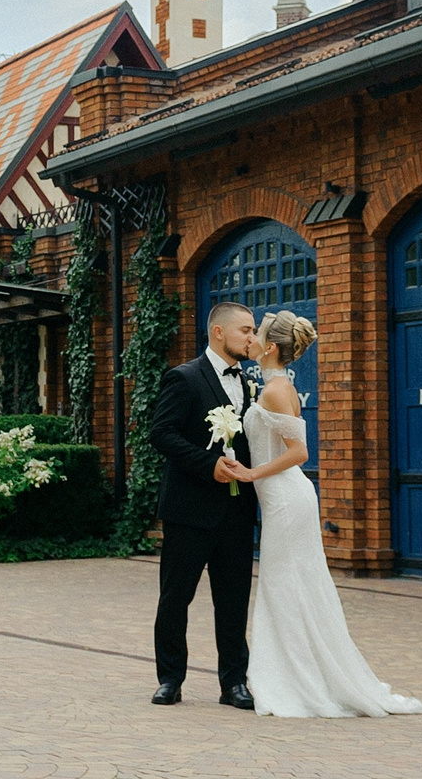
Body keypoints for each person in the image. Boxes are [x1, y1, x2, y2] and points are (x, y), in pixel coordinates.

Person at [238, 311, 422, 718]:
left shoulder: (274, 391)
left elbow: (299, 453)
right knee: (290, 586)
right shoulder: (277, 385)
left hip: (287, 500)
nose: (250, 338)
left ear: (270, 348)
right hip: (281, 500)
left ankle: (298, 681)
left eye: (256, 334)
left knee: (285, 586)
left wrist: (252, 472)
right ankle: (298, 672)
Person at [148, 300, 262, 709]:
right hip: (189, 510)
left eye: (253, 331)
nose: (252, 338)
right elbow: (162, 433)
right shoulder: (184, 377)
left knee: (232, 602)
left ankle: (234, 683)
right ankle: (170, 679)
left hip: (236, 512)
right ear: (218, 332)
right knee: (176, 598)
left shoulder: (250, 384)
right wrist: (208, 463)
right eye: (246, 330)